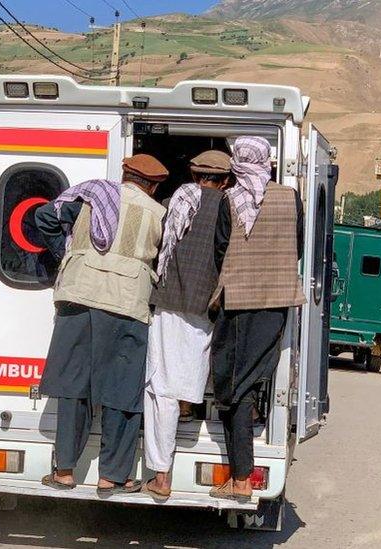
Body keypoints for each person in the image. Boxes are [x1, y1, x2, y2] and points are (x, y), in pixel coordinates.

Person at [34, 154, 168, 495]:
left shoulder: (92, 197)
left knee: (72, 387)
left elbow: (43, 216)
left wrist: (66, 254)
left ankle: (64, 470)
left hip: (77, 296)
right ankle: (112, 476)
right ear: (153, 185)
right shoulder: (158, 213)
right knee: (122, 391)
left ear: (124, 175)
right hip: (126, 304)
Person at [208, 136, 305, 503]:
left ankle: (242, 478)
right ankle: (240, 477)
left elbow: (219, 251)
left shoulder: (229, 199)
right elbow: (297, 243)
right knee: (248, 383)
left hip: (238, 302)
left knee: (233, 386)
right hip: (277, 302)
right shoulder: (289, 197)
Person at [142, 150, 232, 500]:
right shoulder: (232, 210)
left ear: (195, 175)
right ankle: (186, 407)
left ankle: (161, 475)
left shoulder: (174, 201)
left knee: (160, 386)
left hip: (168, 303)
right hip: (206, 307)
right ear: (226, 180)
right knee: (189, 377)